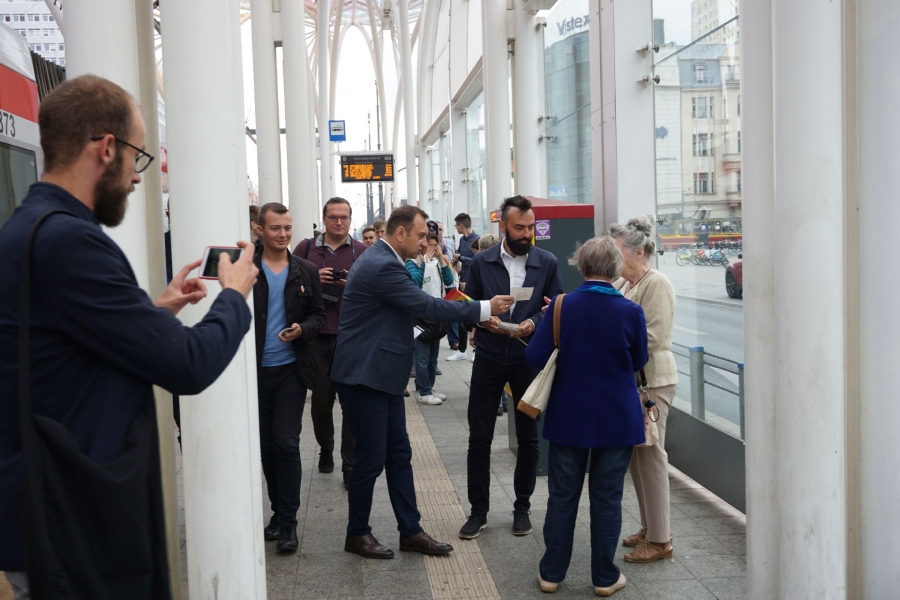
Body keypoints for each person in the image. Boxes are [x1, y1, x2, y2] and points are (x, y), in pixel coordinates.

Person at [0, 74, 259, 597]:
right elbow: (189, 365)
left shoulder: (27, 228)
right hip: (74, 524)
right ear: (106, 148)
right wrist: (234, 295)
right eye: (138, 157)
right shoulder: (72, 241)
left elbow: (62, 340)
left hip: (43, 509)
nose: (139, 177)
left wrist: (154, 309)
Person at [330, 205, 515, 560]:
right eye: (418, 236)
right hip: (365, 376)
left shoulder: (385, 259)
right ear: (400, 233)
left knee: (399, 454)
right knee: (371, 458)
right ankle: (357, 533)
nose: (423, 243)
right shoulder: (382, 264)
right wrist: (484, 308)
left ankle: (410, 530)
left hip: (380, 374)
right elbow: (426, 306)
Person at [525, 236, 648, 597]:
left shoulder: (561, 306)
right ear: (615, 267)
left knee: (562, 497)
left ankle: (551, 574)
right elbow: (639, 360)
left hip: (569, 417)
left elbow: (534, 357)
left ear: (580, 265)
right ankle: (604, 578)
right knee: (607, 499)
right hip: (617, 418)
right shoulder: (630, 311)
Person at [458, 195, 565, 540]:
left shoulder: (546, 262)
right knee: (480, 436)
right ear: (503, 226)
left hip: (527, 359)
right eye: (519, 227)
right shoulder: (481, 262)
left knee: (529, 435)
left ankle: (522, 508)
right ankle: (478, 512)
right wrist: (482, 319)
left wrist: (534, 323)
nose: (526, 234)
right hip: (489, 357)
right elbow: (466, 306)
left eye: (530, 227)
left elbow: (556, 308)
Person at [252, 203, 326, 552]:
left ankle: (289, 523)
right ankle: (278, 511)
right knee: (266, 447)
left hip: (291, 370)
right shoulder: (246, 270)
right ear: (259, 229)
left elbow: (318, 314)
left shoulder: (305, 270)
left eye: (287, 228)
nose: (283, 234)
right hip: (254, 373)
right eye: (275, 228)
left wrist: (303, 329)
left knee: (285, 442)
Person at [610, 217, 678, 563]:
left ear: (638, 252)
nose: (614, 257)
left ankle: (661, 538)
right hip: (635, 379)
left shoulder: (657, 283)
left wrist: (609, 346)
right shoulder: (625, 282)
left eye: (618, 250)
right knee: (638, 459)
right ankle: (651, 526)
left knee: (651, 457)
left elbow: (653, 336)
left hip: (653, 381)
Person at [293, 197, 368, 487]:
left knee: (352, 404)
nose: (339, 222)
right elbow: (290, 287)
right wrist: (314, 279)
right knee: (321, 402)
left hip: (352, 336)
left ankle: (350, 466)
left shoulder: (362, 251)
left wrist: (354, 284)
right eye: (333, 217)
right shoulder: (305, 249)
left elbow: (375, 292)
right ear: (323, 219)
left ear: (350, 219)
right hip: (317, 336)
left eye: (344, 217)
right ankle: (326, 446)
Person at [407, 232, 456, 405]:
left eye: (436, 246)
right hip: (419, 317)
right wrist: (425, 263)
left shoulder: (437, 261)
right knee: (422, 357)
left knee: (433, 357)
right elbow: (415, 283)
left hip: (436, 314)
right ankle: (424, 392)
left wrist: (442, 260)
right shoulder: (412, 262)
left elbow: (449, 281)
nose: (433, 249)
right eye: (430, 246)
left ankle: (428, 387)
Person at [447, 213, 480, 362]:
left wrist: (461, 258)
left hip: (473, 282)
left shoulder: (477, 240)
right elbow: (458, 255)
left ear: (461, 225)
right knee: (461, 314)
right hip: (462, 281)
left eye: (456, 225)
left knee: (474, 315)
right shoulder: (461, 240)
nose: (456, 228)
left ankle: (475, 350)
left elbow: (476, 260)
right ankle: (461, 350)